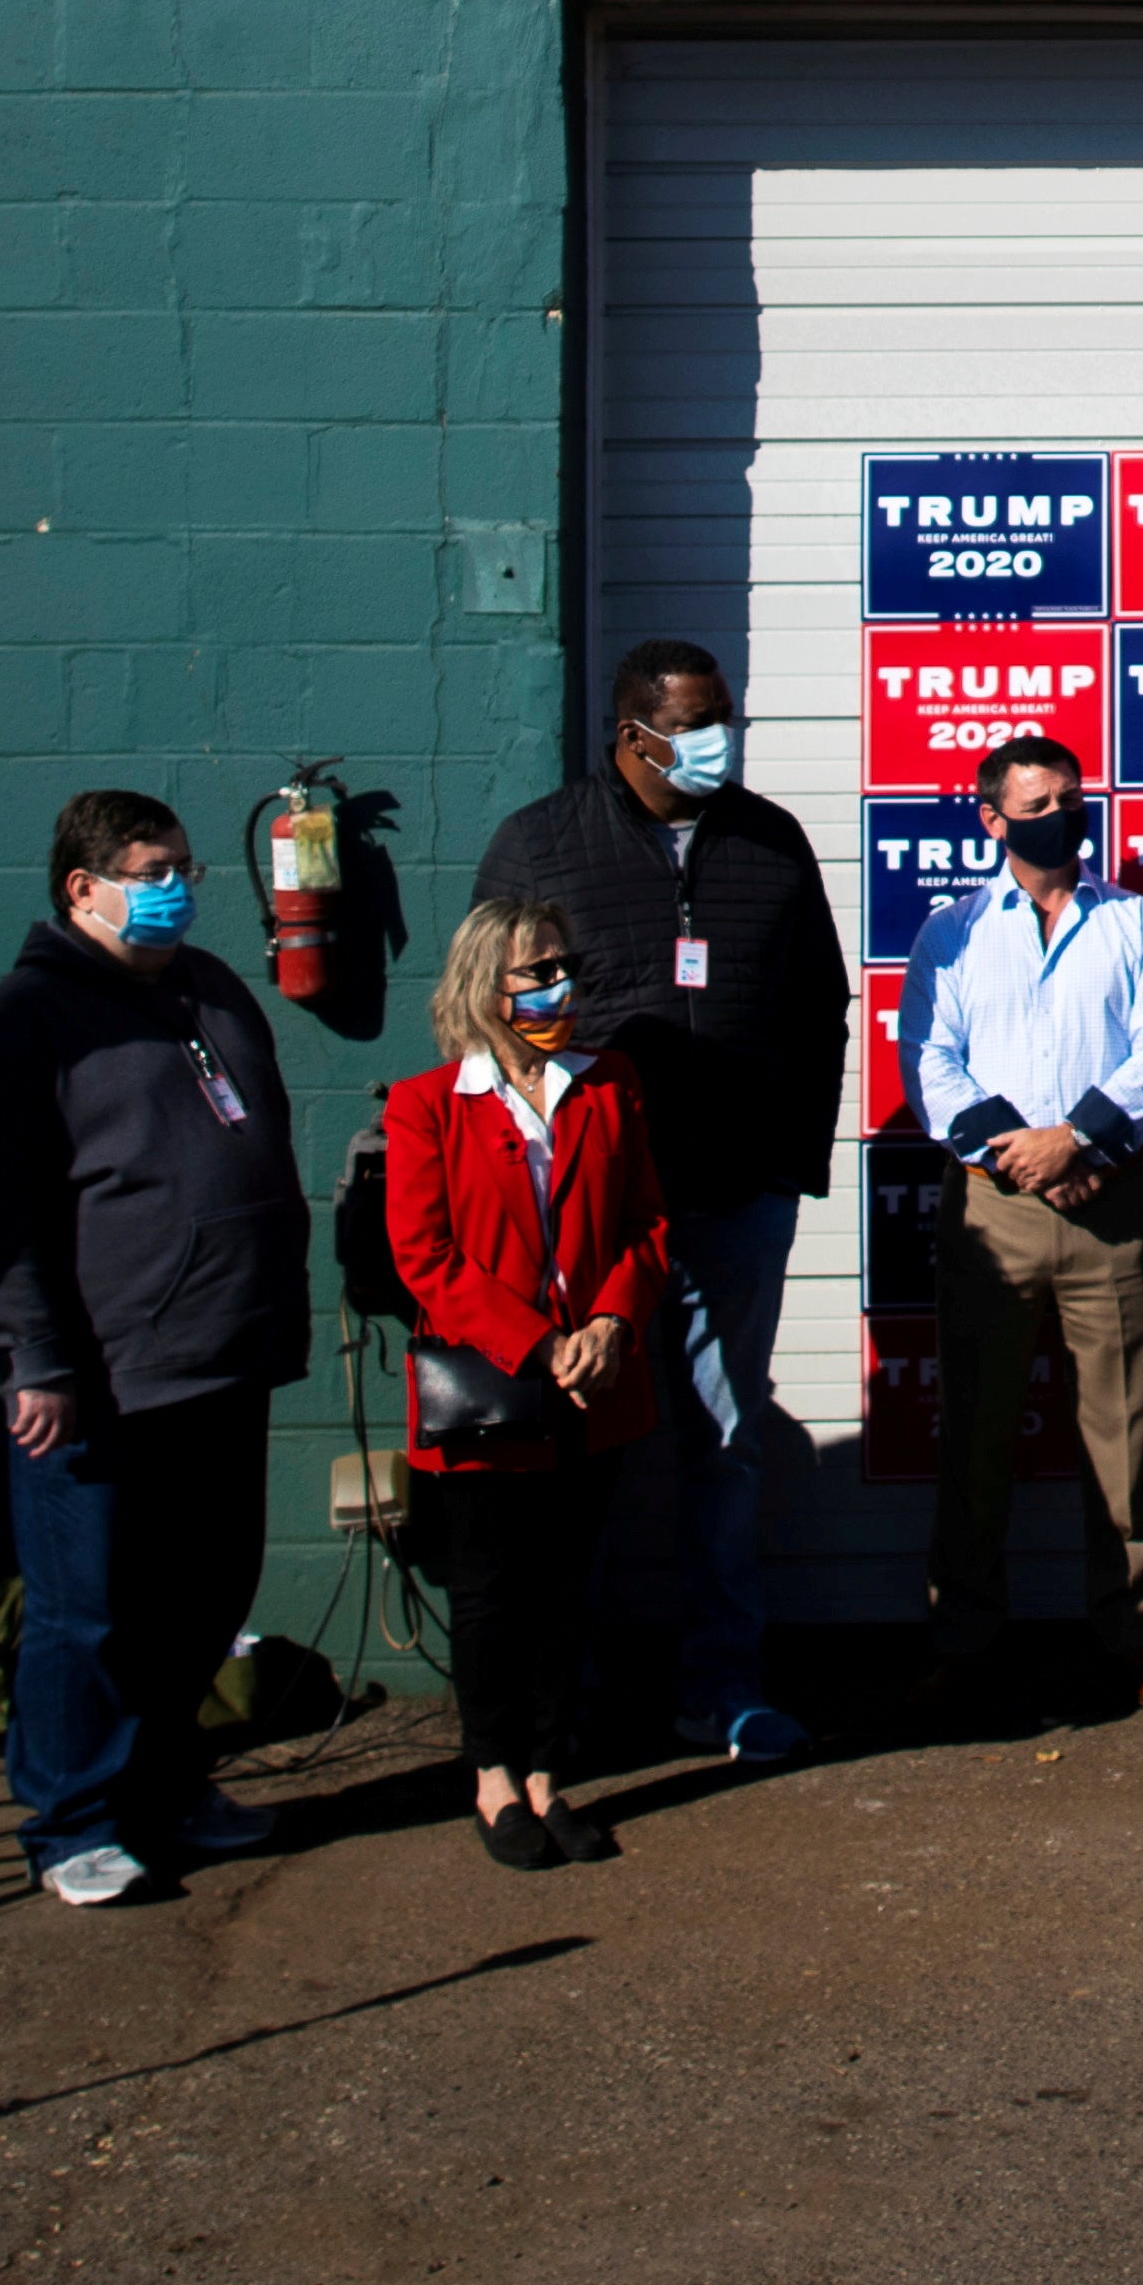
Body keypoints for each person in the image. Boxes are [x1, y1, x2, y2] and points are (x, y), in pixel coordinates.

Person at [475, 639, 851, 1767]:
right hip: (587, 1217)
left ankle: (722, 1685)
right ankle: (567, 1705)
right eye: (694, 724)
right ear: (634, 734)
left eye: (724, 718)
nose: (717, 743)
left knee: (725, 1445)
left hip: (736, 1200)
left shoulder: (767, 838)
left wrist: (791, 1161)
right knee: (575, 1451)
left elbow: (820, 1003)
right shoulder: (541, 844)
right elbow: (488, 1021)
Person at [0, 791, 312, 1907]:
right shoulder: (30, 1019)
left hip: (223, 1355)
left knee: (203, 1592)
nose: (178, 885)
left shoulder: (209, 988)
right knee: (87, 1609)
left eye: (186, 865)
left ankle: (167, 1786)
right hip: (100, 1375)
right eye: (153, 867)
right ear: (82, 887)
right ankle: (74, 1821)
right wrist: (34, 1357)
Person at [904, 733, 1143, 1713]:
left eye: (1073, 794)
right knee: (977, 1436)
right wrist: (1018, 1148)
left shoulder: (1137, 923)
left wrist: (1075, 1139)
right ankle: (963, 1636)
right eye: (1039, 800)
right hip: (994, 1212)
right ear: (993, 818)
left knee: (1122, 1435)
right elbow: (928, 1063)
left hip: (1106, 1202)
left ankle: (1134, 1637)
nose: (1064, 812)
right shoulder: (950, 931)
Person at [385, 900, 677, 1868]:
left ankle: (549, 1771)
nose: (557, 982)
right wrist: (538, 1342)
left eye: (563, 962)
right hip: (491, 1391)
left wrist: (610, 1319)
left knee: (565, 1585)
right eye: (534, 968)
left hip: (595, 1383)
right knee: (490, 1590)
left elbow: (646, 1222)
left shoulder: (609, 1083)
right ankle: (493, 1775)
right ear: (485, 985)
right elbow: (425, 1256)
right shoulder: (428, 1103)